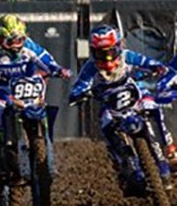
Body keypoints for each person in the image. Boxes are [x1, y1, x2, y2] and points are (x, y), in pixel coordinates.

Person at [69, 25, 173, 194]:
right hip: (111, 105)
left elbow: (146, 62)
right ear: (93, 52)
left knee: (152, 106)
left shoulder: (127, 56)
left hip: (135, 96)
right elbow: (79, 85)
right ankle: (123, 162)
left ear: (118, 47)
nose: (107, 59)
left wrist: (157, 67)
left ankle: (166, 147)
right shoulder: (91, 67)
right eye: (101, 53)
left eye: (110, 52)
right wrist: (78, 94)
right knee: (106, 124)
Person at [0, 14, 72, 170]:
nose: (15, 46)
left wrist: (58, 70)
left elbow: (45, 60)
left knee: (41, 112)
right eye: (10, 42)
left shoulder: (29, 46)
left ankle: (48, 162)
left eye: (19, 40)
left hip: (26, 88)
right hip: (1, 90)